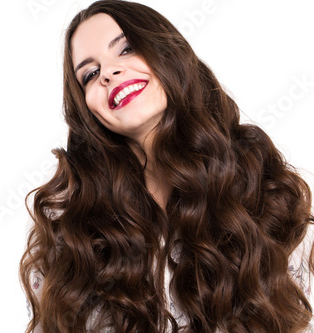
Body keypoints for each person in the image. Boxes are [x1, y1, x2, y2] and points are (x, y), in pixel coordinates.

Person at [19, 0, 314, 332]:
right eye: (89, 74)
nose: (109, 73)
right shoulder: (69, 233)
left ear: (168, 53)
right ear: (87, 111)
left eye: (127, 49)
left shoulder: (267, 191)